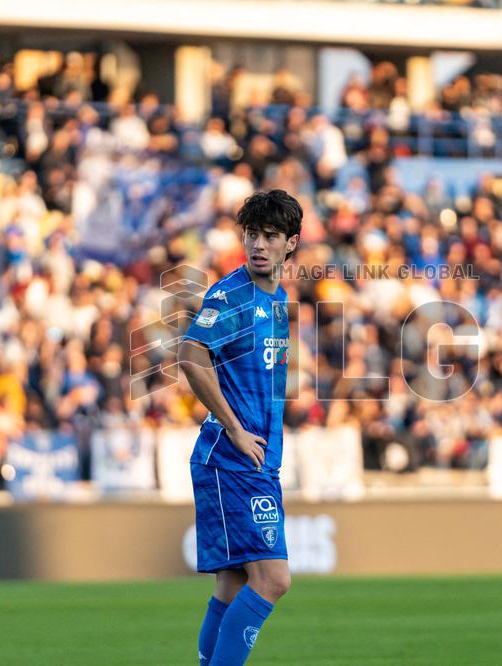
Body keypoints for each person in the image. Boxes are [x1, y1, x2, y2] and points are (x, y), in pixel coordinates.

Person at [179, 190, 301, 665]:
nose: (259, 245)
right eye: (252, 234)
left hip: (256, 458)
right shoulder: (231, 295)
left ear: (290, 243)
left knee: (233, 584)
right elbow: (191, 356)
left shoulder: (277, 299)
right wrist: (233, 426)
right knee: (273, 579)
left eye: (270, 236)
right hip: (232, 458)